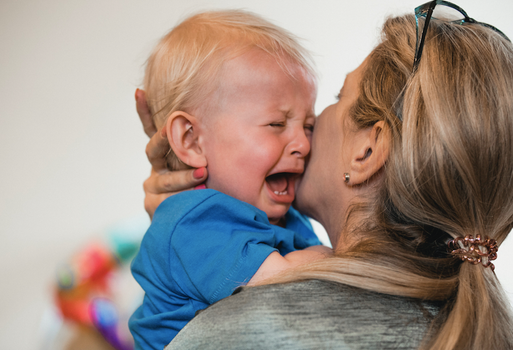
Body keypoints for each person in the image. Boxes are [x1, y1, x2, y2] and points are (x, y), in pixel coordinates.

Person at [139, 4, 513, 350]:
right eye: (275, 123)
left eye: (328, 105)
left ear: (367, 150)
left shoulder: (255, 330)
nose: (303, 140)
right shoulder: (470, 321)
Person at [129, 10, 333, 350]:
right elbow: (285, 285)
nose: (303, 144)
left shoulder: (286, 216)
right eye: (277, 124)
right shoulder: (190, 221)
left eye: (307, 126)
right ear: (192, 140)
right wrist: (336, 255)